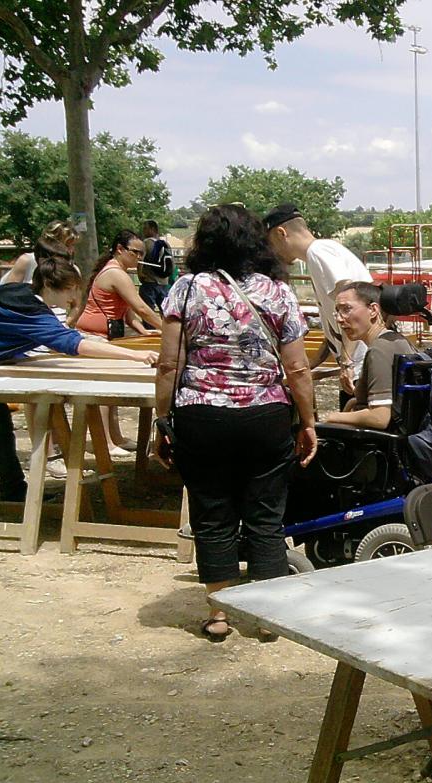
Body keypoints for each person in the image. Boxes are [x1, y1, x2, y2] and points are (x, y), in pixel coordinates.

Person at [154, 204, 318, 642]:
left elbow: (170, 364)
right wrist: (308, 422)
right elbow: (298, 369)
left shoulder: (187, 289)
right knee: (266, 516)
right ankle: (266, 619)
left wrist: (163, 420)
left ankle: (220, 614)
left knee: (212, 514)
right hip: (265, 415)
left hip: (201, 415)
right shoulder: (277, 292)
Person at [0, 258, 157, 499]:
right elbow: (71, 344)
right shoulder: (30, 311)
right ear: (50, 286)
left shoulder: (24, 296)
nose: (73, 297)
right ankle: (12, 488)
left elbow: (60, 335)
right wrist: (135, 355)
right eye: (70, 289)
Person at [263, 204, 371, 411]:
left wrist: (347, 362)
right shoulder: (323, 252)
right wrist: (312, 364)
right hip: (358, 363)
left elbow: (350, 308)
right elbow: (335, 326)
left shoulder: (318, 252)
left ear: (280, 233)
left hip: (361, 366)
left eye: (270, 243)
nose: (272, 251)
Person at [76, 230, 163, 456]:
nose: (139, 257)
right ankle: (104, 442)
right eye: (135, 252)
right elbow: (141, 308)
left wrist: (145, 332)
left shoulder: (120, 273)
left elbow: (127, 312)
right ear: (120, 249)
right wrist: (167, 329)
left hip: (107, 337)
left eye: (141, 253)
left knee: (110, 393)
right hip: (94, 337)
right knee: (103, 391)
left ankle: (115, 436)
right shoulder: (115, 273)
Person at [320, 281, 413, 429]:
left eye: (346, 309)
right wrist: (352, 403)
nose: (339, 318)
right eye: (337, 311)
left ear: (373, 310)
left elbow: (379, 417)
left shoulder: (379, 350)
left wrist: (332, 417)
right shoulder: (396, 340)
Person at [137, 219, 173, 315]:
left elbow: (140, 260)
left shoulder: (145, 243)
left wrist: (140, 274)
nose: (143, 231)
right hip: (164, 282)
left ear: (152, 229)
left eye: (145, 228)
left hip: (149, 281)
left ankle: (150, 329)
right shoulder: (166, 244)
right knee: (166, 312)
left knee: (148, 311)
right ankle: (166, 329)